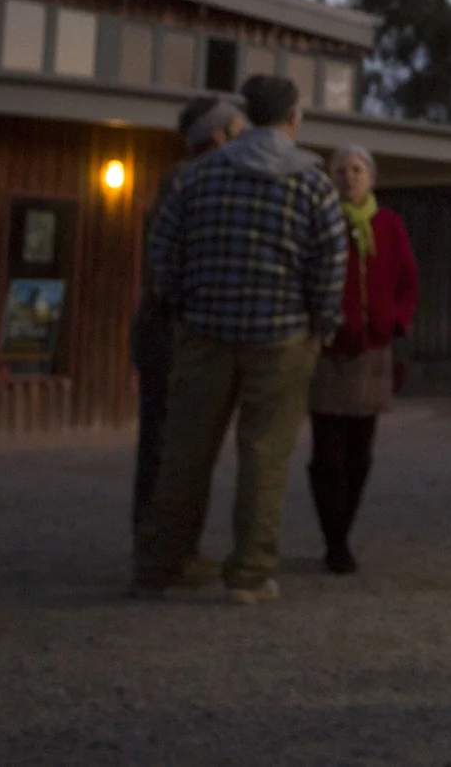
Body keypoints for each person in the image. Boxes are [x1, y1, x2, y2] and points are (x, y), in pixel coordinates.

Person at [134, 74, 344, 605]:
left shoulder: (195, 178)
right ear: (293, 117)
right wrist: (321, 323)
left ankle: (160, 564)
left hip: (204, 332)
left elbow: (163, 252)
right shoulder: (313, 183)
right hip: (281, 338)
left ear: (247, 116)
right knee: (264, 456)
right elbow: (330, 264)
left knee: (185, 453)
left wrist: (182, 306)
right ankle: (249, 573)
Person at [131, 93, 246, 537]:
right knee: (168, 443)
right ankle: (158, 544)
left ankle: (168, 542)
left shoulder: (191, 178)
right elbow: (167, 265)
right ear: (218, 135)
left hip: (174, 327)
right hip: (172, 330)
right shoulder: (190, 180)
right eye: (236, 127)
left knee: (178, 443)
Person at [307, 145, 417, 575]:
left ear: (371, 178)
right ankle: (334, 540)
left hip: (373, 352)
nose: (349, 177)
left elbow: (408, 278)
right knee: (328, 454)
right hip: (330, 352)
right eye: (340, 170)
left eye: (356, 170)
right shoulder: (321, 223)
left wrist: (396, 322)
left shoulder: (388, 225)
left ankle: (344, 528)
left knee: (360, 453)